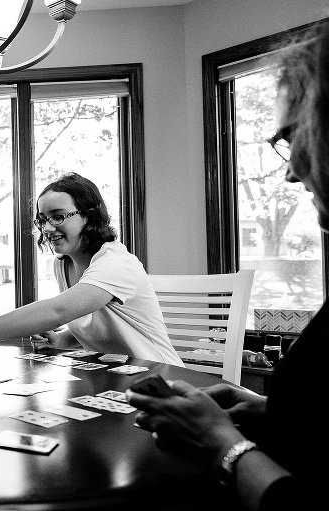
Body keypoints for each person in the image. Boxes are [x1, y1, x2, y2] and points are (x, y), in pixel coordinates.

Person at [126, 26, 329, 510]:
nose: (291, 170)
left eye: (291, 136)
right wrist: (266, 410)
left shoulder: (114, 261)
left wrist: (225, 445)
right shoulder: (62, 266)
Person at [0, 173, 183, 366]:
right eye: (42, 220)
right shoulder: (63, 264)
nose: (47, 228)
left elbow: (58, 311)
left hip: (158, 381)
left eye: (57, 216)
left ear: (89, 215)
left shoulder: (116, 262)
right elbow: (99, 325)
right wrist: (63, 341)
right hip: (117, 380)